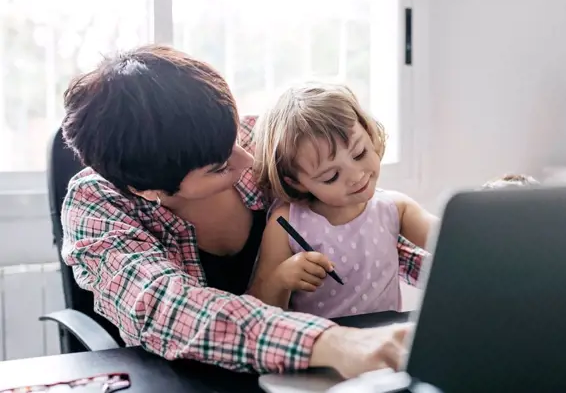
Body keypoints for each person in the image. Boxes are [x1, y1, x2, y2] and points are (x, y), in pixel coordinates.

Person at [59, 45, 429, 377]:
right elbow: (169, 310)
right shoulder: (96, 207)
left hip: (309, 375)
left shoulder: (265, 139)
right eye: (218, 167)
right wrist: (332, 344)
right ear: (148, 190)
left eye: (233, 137)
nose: (249, 159)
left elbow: (362, 228)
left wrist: (455, 271)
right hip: (191, 380)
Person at [249, 83, 437, 319]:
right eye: (331, 176)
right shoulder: (286, 223)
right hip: (323, 349)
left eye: (360, 153)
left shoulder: (395, 208)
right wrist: (281, 279)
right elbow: (257, 311)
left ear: (369, 133)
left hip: (383, 344)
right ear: (296, 182)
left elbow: (452, 240)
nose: (357, 176)